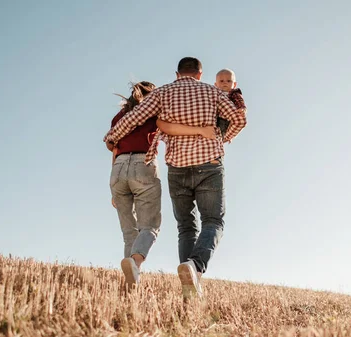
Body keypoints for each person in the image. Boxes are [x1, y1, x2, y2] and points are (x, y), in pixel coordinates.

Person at [104, 57, 247, 299]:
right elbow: (240, 119)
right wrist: (222, 138)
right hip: (209, 164)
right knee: (213, 221)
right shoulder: (212, 93)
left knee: (185, 227)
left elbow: (134, 118)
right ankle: (195, 267)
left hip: (177, 168)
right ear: (200, 74)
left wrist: (111, 136)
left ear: (177, 73)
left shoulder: (163, 93)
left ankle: (188, 283)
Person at [106, 81, 214, 288]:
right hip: (143, 165)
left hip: (117, 170)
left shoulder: (118, 118)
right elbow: (170, 131)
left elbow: (114, 149)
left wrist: (113, 186)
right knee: (150, 226)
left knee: (129, 231)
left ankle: (131, 282)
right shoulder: (153, 114)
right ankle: (135, 262)